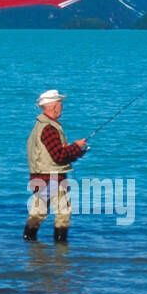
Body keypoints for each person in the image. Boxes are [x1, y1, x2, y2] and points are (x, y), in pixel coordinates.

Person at [24, 89, 88, 244]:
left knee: (38, 213)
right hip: (53, 177)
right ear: (54, 106)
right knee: (63, 213)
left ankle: (28, 242)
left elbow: (54, 154)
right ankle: (61, 248)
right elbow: (58, 155)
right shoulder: (49, 128)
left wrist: (76, 152)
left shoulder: (40, 126)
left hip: (41, 176)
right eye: (61, 103)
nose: (62, 107)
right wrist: (75, 147)